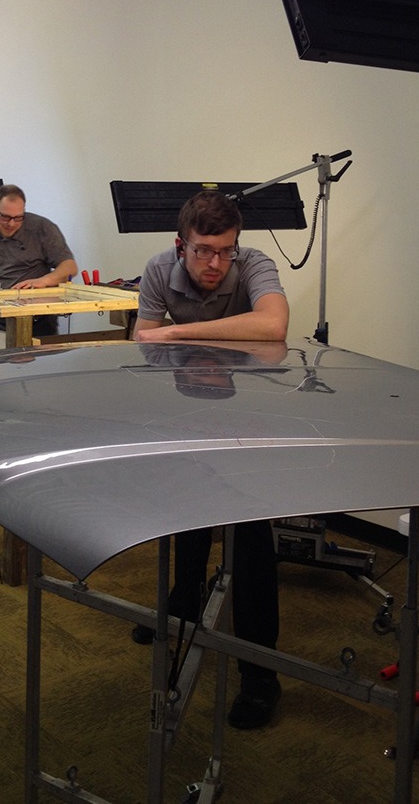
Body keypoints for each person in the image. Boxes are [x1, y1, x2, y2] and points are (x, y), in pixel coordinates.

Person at [131, 190, 289, 730]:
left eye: (225, 251)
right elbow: (141, 344)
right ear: (181, 246)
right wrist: (179, 345)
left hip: (250, 415)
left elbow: (273, 327)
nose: (216, 264)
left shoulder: (255, 265)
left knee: (249, 541)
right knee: (185, 512)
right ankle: (183, 601)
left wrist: (179, 332)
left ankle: (260, 675)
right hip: (185, 407)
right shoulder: (157, 269)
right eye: (203, 252)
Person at [0, 184, 78, 336]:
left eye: (18, 217)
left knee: (35, 359)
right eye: (5, 217)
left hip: (38, 322)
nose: (11, 223)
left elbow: (69, 266)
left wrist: (44, 280)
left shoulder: (43, 228)